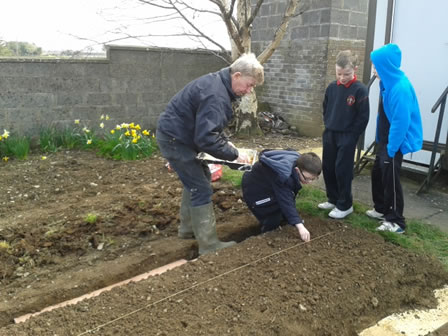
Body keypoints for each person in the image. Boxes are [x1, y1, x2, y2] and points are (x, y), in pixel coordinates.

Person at [156, 53, 264, 255]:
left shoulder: (218, 84)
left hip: (180, 136)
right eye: (249, 85)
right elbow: (206, 138)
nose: (249, 91)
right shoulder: (216, 94)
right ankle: (209, 245)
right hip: (176, 140)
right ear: (237, 75)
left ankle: (187, 230)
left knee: (200, 179)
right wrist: (234, 154)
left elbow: (210, 127)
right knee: (201, 188)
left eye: (252, 88)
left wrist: (225, 142)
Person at [366, 43, 423, 233]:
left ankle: (396, 221)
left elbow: (401, 122)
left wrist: (391, 149)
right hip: (385, 140)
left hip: (395, 142)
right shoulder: (386, 84)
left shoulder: (400, 88)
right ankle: (381, 209)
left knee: (390, 178)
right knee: (377, 173)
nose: (374, 69)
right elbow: (383, 115)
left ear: (386, 66)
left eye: (376, 66)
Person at [318, 50, 370, 219]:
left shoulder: (360, 90)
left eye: (346, 74)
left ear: (355, 69)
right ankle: (333, 198)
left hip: (347, 136)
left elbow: (363, 117)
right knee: (328, 167)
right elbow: (326, 108)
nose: (342, 77)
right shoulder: (332, 87)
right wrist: (328, 124)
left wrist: (353, 135)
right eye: (338, 73)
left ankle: (345, 204)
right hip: (330, 133)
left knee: (342, 170)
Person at [242, 150, 321, 241]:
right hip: (255, 190)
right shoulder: (283, 175)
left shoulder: (300, 161)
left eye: (313, 179)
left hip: (268, 183)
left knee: (282, 207)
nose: (309, 182)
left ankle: (286, 220)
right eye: (307, 178)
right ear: (297, 170)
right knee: (271, 215)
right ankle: (266, 235)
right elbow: (286, 200)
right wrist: (300, 226)